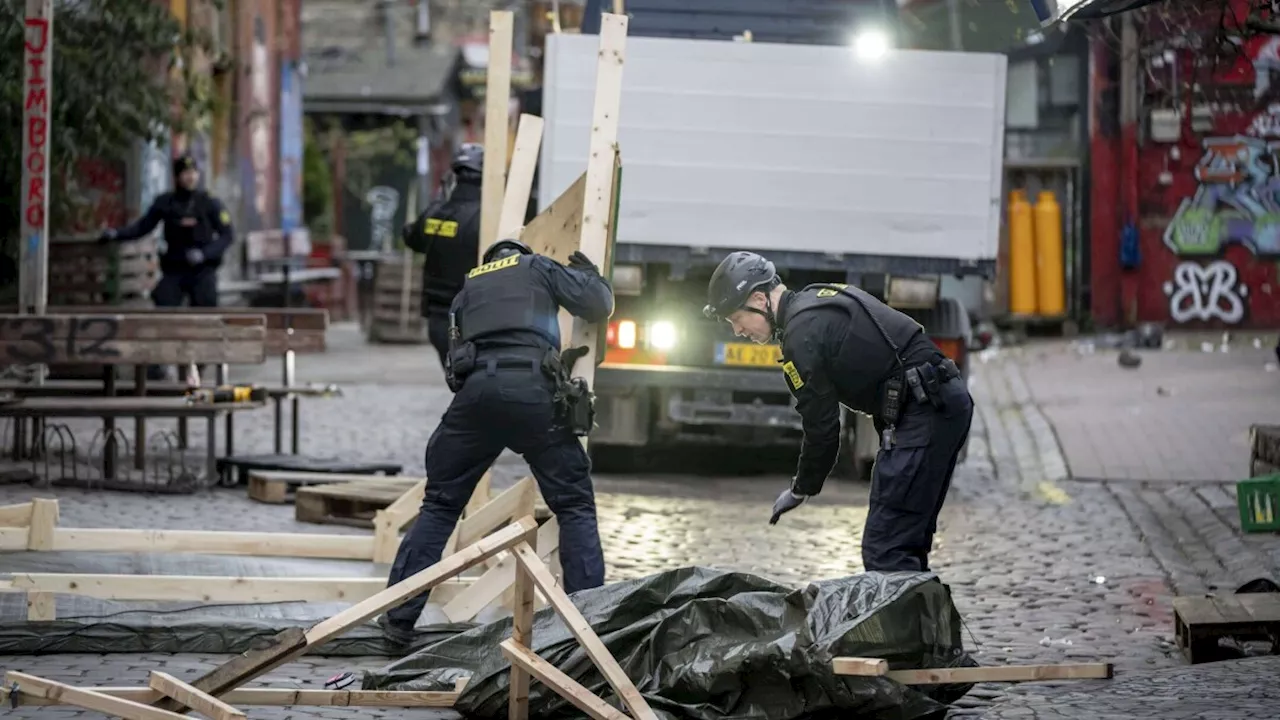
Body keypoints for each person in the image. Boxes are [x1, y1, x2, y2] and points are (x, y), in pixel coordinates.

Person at [378, 238, 614, 646]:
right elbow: (597, 305)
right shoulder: (537, 266)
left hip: (476, 397)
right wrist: (592, 276)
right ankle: (585, 626)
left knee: (438, 506)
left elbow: (454, 366)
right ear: (519, 255)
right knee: (574, 504)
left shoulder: (467, 288)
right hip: (533, 394)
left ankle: (398, 619)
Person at [702, 251, 973, 574]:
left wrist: (802, 487)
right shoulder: (816, 297)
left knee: (887, 549)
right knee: (906, 543)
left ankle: (908, 624)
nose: (737, 331)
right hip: (938, 402)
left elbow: (823, 428)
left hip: (924, 412)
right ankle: (923, 624)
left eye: (736, 318)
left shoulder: (801, 336)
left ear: (759, 299)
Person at [99, 155, 234, 380]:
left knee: (205, 313)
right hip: (175, 269)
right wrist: (116, 234)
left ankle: (198, 366)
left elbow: (227, 235)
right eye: (185, 173)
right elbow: (143, 226)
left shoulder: (208, 202)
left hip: (202, 271)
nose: (190, 177)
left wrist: (205, 254)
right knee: (163, 308)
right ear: (177, 176)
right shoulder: (166, 202)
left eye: (193, 173)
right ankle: (156, 365)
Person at [401, 143, 485, 370]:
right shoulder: (486, 217)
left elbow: (412, 237)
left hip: (438, 320)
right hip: (474, 318)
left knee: (457, 380)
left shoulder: (436, 212)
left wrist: (438, 201)